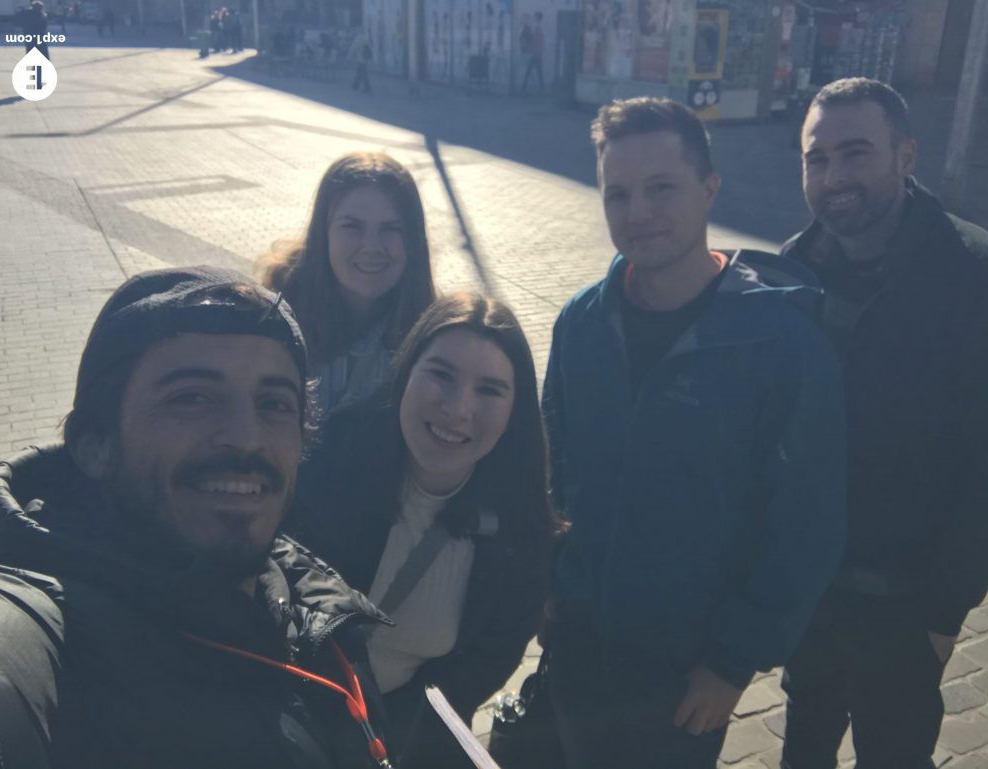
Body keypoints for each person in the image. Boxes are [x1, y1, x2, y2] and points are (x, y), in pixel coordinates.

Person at [0, 267, 391, 769]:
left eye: (274, 403)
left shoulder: (307, 596)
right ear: (95, 445)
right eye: (192, 397)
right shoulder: (47, 631)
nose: (247, 437)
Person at [541, 96, 847, 768]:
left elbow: (808, 521)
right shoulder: (580, 323)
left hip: (687, 672)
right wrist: (549, 593)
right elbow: (553, 464)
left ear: (709, 190)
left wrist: (733, 662)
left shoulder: (780, 342)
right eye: (617, 193)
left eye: (660, 188)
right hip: (580, 644)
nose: (638, 212)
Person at [779, 78, 988, 769]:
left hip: (907, 605)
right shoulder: (791, 272)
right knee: (803, 749)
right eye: (817, 159)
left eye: (855, 153)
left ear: (905, 155)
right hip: (810, 593)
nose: (834, 177)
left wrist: (944, 613)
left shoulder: (971, 272)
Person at [288, 293, 556, 769]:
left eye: (490, 390)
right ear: (406, 371)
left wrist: (406, 731)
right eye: (441, 375)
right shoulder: (326, 464)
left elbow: (492, 655)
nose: (458, 408)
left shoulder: (518, 529)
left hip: (406, 744)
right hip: (296, 724)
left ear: (516, 410)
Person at [258, 152, 436, 418]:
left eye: (391, 228)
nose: (371, 247)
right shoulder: (269, 321)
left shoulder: (432, 337)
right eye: (352, 226)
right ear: (323, 233)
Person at [519, 12, 544, 94]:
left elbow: (537, 42)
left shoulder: (537, 28)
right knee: (538, 71)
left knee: (529, 70)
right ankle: (541, 87)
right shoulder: (537, 28)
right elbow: (538, 42)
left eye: (534, 17)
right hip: (537, 54)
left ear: (537, 18)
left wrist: (528, 48)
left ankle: (524, 87)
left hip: (536, 54)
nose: (533, 18)